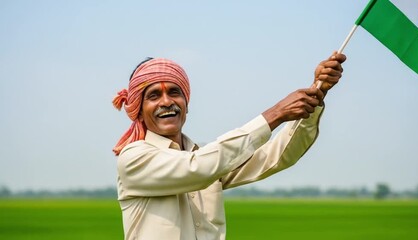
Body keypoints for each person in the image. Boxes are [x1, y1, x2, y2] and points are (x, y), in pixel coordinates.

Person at [112, 53, 346, 240]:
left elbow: (275, 156)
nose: (166, 102)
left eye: (174, 92)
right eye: (154, 96)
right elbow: (200, 168)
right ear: (138, 111)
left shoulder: (204, 157)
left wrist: (317, 91)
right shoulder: (133, 158)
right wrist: (275, 114)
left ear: (186, 103)